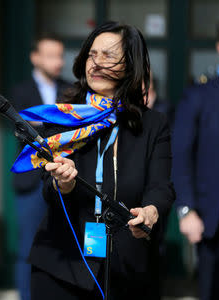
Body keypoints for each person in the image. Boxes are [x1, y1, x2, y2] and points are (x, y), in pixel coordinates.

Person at [24, 21, 175, 299]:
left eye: (108, 56)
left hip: (128, 269)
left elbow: (161, 185)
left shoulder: (154, 124)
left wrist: (151, 211)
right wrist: (63, 183)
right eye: (92, 55)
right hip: (62, 265)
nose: (96, 63)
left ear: (131, 65)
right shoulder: (65, 117)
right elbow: (49, 187)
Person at [172, 17, 219, 300]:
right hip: (217, 211)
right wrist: (186, 210)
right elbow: (181, 156)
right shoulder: (199, 95)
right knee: (212, 290)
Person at [10, 33, 71, 300]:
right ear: (35, 57)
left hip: (63, 178)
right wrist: (57, 123)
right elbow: (21, 125)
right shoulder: (20, 91)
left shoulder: (70, 90)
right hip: (31, 182)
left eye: (60, 55)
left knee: (65, 246)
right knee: (28, 249)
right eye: (50, 55)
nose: (57, 61)